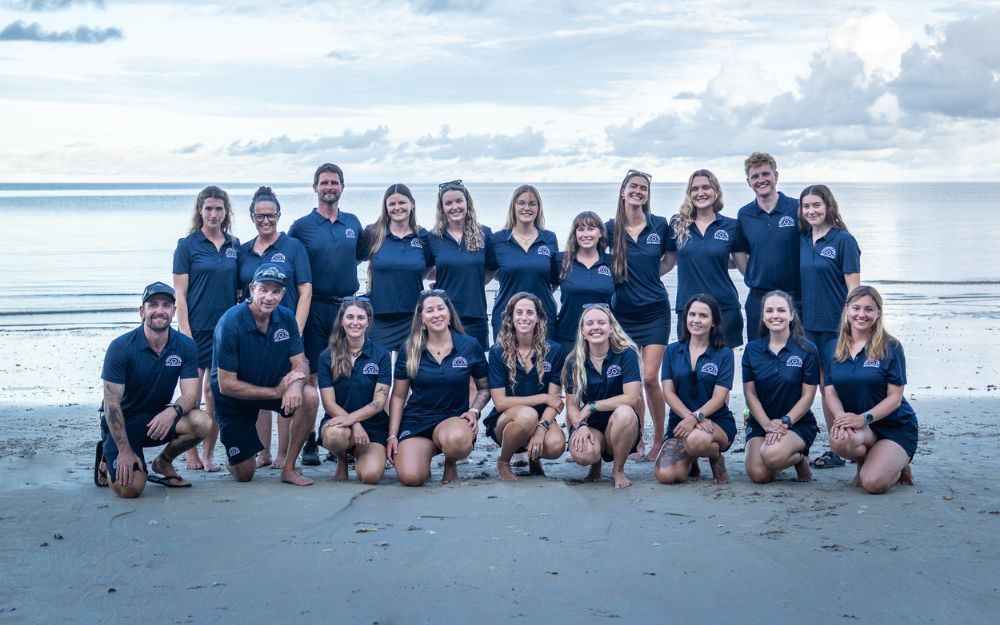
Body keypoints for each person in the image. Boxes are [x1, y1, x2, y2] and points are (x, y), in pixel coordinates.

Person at [96, 282, 213, 497]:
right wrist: (123, 450)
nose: (160, 310)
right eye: (153, 305)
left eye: (166, 305)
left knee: (202, 422)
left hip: (157, 420)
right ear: (143, 311)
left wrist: (172, 411)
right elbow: (111, 404)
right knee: (129, 489)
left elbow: (190, 395)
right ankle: (107, 454)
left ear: (173, 311)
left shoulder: (185, 346)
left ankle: (163, 462)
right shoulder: (121, 347)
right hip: (123, 421)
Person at [210, 264, 319, 486]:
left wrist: (296, 385)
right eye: (264, 289)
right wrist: (277, 391)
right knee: (245, 474)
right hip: (235, 399)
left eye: (276, 291)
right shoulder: (230, 322)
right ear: (252, 289)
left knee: (310, 395)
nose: (269, 297)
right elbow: (226, 385)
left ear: (283, 294)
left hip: (271, 386)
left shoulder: (287, 318)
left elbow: (301, 362)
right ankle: (239, 454)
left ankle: (289, 468)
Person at [288, 163, 365, 466]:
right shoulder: (301, 226)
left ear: (342, 187)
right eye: (324, 182)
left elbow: (359, 255)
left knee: (345, 371)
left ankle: (337, 434)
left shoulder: (353, 223)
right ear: (315, 187)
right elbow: (288, 262)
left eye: (334, 182)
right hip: (314, 308)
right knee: (312, 375)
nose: (329, 187)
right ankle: (308, 442)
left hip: (346, 306)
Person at [236, 186, 313, 470]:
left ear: (279, 215)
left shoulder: (292, 247)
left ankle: (283, 453)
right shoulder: (243, 251)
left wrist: (297, 330)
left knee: (287, 388)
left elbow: (305, 291)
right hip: (252, 334)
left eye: (270, 215)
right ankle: (263, 452)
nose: (265, 221)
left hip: (285, 331)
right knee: (259, 389)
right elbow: (239, 294)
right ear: (252, 216)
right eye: (260, 216)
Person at [387, 290, 490, 486]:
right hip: (417, 420)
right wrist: (392, 435)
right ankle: (425, 454)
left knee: (458, 441)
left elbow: (484, 388)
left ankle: (450, 463)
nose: (436, 314)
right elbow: (399, 397)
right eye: (430, 310)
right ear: (421, 318)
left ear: (449, 313)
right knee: (411, 478)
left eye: (441, 308)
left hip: (453, 419)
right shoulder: (409, 349)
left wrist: (474, 411)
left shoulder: (469, 345)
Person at [606, 169, 675, 460]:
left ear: (647, 194)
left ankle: (659, 439)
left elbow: (669, 260)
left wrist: (647, 275)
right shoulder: (609, 228)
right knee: (631, 383)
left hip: (656, 310)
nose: (638, 191)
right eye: (633, 186)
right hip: (621, 314)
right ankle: (637, 441)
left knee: (649, 378)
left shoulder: (659, 225)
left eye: (643, 188)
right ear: (622, 191)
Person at [823, 286, 917, 494]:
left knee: (873, 484)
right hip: (862, 428)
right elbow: (830, 392)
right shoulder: (832, 348)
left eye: (869, 309)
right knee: (839, 440)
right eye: (856, 308)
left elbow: (895, 398)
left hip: (895, 427)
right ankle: (868, 459)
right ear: (847, 309)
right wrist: (841, 417)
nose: (861, 314)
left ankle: (897, 464)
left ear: (878, 313)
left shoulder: (891, 347)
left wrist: (863, 419)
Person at [173, 185, 240, 473]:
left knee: (214, 394)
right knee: (192, 395)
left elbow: (240, 291)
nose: (214, 213)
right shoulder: (187, 245)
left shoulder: (234, 245)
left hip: (224, 331)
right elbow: (179, 295)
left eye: (219, 208)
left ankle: (209, 453)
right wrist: (184, 330)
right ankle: (190, 454)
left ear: (226, 213)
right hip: (195, 330)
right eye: (208, 208)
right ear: (200, 211)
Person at [797, 184, 862, 469]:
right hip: (808, 326)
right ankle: (836, 446)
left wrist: (851, 327)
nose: (811, 211)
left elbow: (855, 291)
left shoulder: (843, 241)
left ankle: (859, 441)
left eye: (816, 205)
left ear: (828, 207)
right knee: (824, 389)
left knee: (844, 387)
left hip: (837, 328)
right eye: (806, 206)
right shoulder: (802, 239)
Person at [654, 295, 735, 485]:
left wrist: (695, 417)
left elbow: (719, 397)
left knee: (697, 441)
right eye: (692, 315)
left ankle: (715, 458)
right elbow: (668, 393)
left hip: (716, 422)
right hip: (680, 423)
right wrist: (688, 419)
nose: (696, 320)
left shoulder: (724, 353)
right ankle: (692, 460)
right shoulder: (672, 351)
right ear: (685, 318)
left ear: (714, 321)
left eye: (703, 316)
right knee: (667, 476)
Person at [486, 293, 566, 480]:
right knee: (527, 415)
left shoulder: (554, 351)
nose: (524, 317)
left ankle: (534, 458)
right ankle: (504, 461)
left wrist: (541, 429)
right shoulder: (498, 352)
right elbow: (499, 402)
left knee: (556, 445)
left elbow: (554, 401)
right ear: (511, 318)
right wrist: (543, 398)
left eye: (530, 313)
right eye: (519, 312)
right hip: (507, 422)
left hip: (539, 418)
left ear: (538, 318)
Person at [742, 291, 819, 483]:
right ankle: (780, 456)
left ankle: (800, 458)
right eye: (769, 311)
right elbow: (750, 394)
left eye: (781, 310)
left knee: (772, 455)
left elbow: (808, 396)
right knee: (759, 475)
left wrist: (785, 422)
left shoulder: (807, 349)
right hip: (761, 423)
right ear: (763, 316)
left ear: (791, 315)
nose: (775, 315)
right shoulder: (752, 350)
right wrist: (767, 424)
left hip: (796, 423)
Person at [562, 304, 642, 489]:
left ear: (611, 328)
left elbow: (632, 398)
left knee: (625, 412)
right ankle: (594, 465)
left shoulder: (626, 354)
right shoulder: (574, 361)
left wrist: (592, 406)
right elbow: (572, 406)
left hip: (620, 425)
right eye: (589, 323)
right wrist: (580, 426)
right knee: (583, 455)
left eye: (601, 322)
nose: (595, 327)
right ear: (583, 331)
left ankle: (618, 470)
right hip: (592, 425)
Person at [317, 297, 392, 484]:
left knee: (370, 477)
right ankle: (341, 458)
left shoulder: (381, 354)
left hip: (374, 426)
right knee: (335, 437)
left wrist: (355, 421)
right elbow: (328, 403)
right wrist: (354, 424)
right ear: (341, 320)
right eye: (350, 317)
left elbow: (379, 402)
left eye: (360, 318)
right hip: (339, 422)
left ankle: (360, 453)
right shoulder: (327, 356)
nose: (355, 323)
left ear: (369, 321)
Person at [671, 169, 746, 348]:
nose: (701, 193)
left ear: (716, 191)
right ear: (689, 194)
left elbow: (743, 265)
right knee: (688, 371)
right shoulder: (677, 224)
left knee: (722, 369)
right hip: (688, 309)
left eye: (706, 187)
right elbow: (667, 261)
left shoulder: (731, 226)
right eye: (695, 189)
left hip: (725, 308)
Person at [735, 152, 801, 341]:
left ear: (776, 176)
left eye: (765, 174)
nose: (761, 180)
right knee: (758, 353)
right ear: (748, 182)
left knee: (798, 354)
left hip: (795, 296)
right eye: (755, 176)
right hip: (759, 297)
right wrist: (753, 275)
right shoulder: (745, 214)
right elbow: (740, 251)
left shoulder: (796, 208)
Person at [425, 180, 494, 352]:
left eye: (458, 201)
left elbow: (491, 269)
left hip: (475, 314)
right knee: (445, 370)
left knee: (478, 374)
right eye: (448, 203)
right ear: (442, 208)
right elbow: (425, 272)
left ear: (467, 203)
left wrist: (473, 281)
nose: (454, 207)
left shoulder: (484, 234)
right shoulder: (433, 237)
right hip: (442, 316)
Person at [363, 183, 432, 353]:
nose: (397, 207)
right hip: (379, 316)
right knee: (378, 374)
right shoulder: (372, 233)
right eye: (392, 204)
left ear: (412, 204)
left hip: (414, 316)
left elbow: (428, 267)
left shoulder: (423, 236)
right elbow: (352, 260)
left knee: (410, 374)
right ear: (385, 208)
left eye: (402, 203)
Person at [486, 185, 559, 340]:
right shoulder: (498, 239)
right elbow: (488, 275)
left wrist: (536, 295)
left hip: (544, 316)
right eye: (521, 203)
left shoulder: (549, 238)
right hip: (506, 317)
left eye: (532, 204)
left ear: (539, 208)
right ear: (514, 206)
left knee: (545, 363)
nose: (527, 208)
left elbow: (554, 279)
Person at [553, 211, 615, 356]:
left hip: (602, 336)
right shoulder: (561, 260)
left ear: (600, 233)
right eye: (580, 229)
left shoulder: (612, 262)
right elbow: (546, 288)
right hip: (568, 336)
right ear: (575, 235)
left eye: (591, 229)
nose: (585, 234)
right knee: (568, 378)